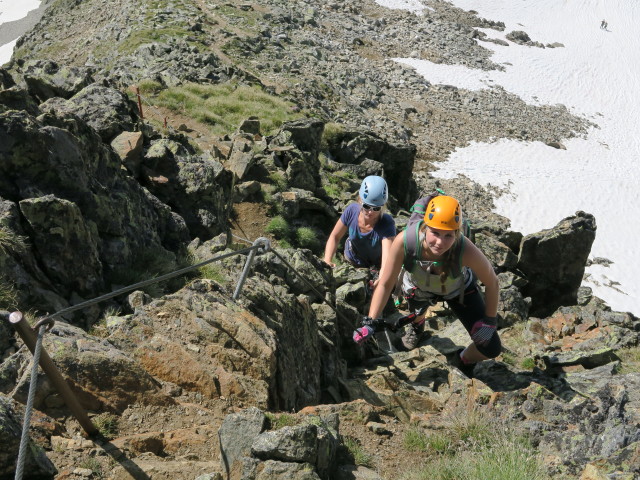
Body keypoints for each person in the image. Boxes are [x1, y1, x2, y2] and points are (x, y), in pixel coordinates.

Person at [354, 195, 501, 377]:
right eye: (435, 233)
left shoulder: (465, 249)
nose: (440, 242)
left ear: (457, 233)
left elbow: (493, 282)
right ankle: (418, 323)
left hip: (457, 291)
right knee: (417, 307)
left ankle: (463, 358)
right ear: (425, 227)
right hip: (419, 289)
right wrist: (370, 321)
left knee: (491, 348)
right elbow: (385, 282)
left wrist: (489, 322)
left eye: (448, 235)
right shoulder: (405, 241)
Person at [323, 175, 396, 291]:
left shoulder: (386, 224)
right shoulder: (351, 211)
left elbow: (388, 258)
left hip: (375, 265)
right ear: (360, 200)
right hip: (352, 258)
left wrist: (381, 279)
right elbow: (335, 236)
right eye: (366, 206)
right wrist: (327, 259)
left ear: (383, 206)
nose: (370, 212)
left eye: (376, 208)